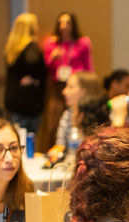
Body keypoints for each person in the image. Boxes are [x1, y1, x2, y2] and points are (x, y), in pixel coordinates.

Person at [41, 12, 94, 152]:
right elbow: (45, 69)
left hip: (78, 83)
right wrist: (53, 57)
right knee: (55, 123)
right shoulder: (52, 44)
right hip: (57, 85)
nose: (64, 26)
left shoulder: (83, 43)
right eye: (61, 23)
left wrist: (83, 83)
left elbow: (89, 67)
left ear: (73, 25)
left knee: (79, 118)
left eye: (68, 22)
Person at [3, 13, 47, 135]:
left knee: (15, 137)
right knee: (29, 139)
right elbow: (39, 72)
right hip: (29, 102)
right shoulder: (31, 48)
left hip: (13, 100)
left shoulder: (11, 48)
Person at [55, 71, 101, 150]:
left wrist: (78, 127)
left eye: (70, 87)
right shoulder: (68, 113)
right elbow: (59, 146)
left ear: (84, 92)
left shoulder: (100, 116)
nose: (64, 92)